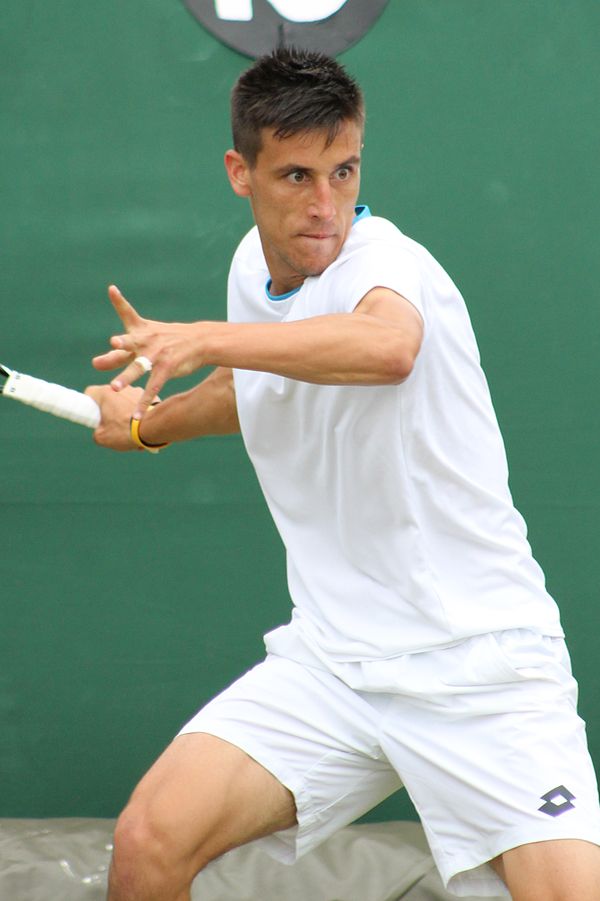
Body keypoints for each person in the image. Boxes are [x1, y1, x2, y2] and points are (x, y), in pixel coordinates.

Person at [86, 47, 600, 901]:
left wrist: (202, 335)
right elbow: (251, 389)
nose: (325, 206)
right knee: (149, 840)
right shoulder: (253, 272)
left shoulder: (385, 264)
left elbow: (386, 348)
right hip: (335, 659)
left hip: (480, 665)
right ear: (238, 172)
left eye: (344, 170)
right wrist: (142, 425)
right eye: (295, 175)